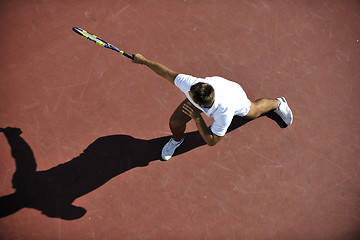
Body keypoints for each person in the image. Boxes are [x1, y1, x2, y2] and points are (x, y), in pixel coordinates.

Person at [132, 54, 293, 161]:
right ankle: (176, 140)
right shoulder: (192, 85)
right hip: (213, 94)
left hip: (234, 95)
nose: (187, 92)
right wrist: (144, 61)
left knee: (253, 112)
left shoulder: (225, 112)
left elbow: (212, 140)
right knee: (175, 122)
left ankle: (278, 103)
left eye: (190, 95)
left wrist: (197, 118)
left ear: (200, 105)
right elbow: (166, 72)